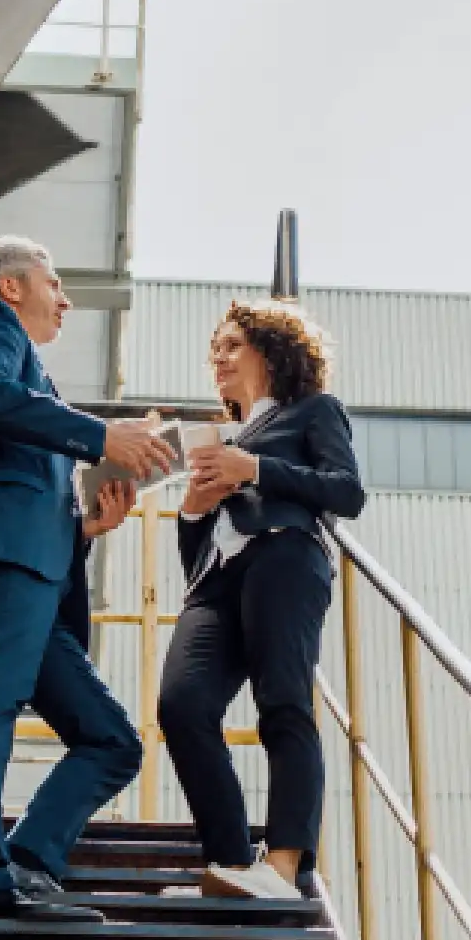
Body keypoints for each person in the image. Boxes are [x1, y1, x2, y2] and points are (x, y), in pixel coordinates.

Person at [0, 236, 173, 918]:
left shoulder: (27, 361)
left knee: (112, 740)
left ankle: (27, 861)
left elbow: (23, 464)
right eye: (54, 282)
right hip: (5, 562)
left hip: (40, 568)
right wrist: (100, 437)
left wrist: (83, 526)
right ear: (11, 289)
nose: (63, 299)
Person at [157, 300, 366, 899]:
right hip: (218, 579)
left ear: (271, 351)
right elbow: (196, 552)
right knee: (182, 705)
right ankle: (232, 862)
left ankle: (282, 867)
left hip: (283, 557)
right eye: (213, 350)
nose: (217, 359)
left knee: (283, 704)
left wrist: (254, 468)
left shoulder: (313, 411)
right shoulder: (223, 436)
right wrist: (193, 510)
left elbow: (347, 493)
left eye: (230, 345)